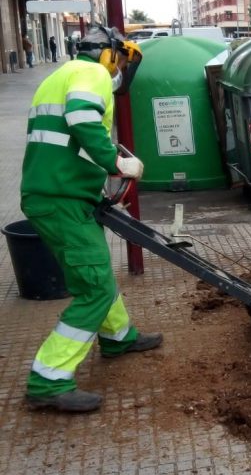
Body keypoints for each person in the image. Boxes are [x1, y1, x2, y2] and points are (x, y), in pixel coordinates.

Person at [21, 26, 160, 413]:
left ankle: (118, 337)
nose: (118, 69)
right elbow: (82, 120)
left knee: (96, 272)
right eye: (117, 59)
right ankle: (48, 379)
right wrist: (117, 163)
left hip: (60, 193)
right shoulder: (92, 74)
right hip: (60, 199)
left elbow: (68, 136)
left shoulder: (61, 74)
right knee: (95, 286)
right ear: (106, 54)